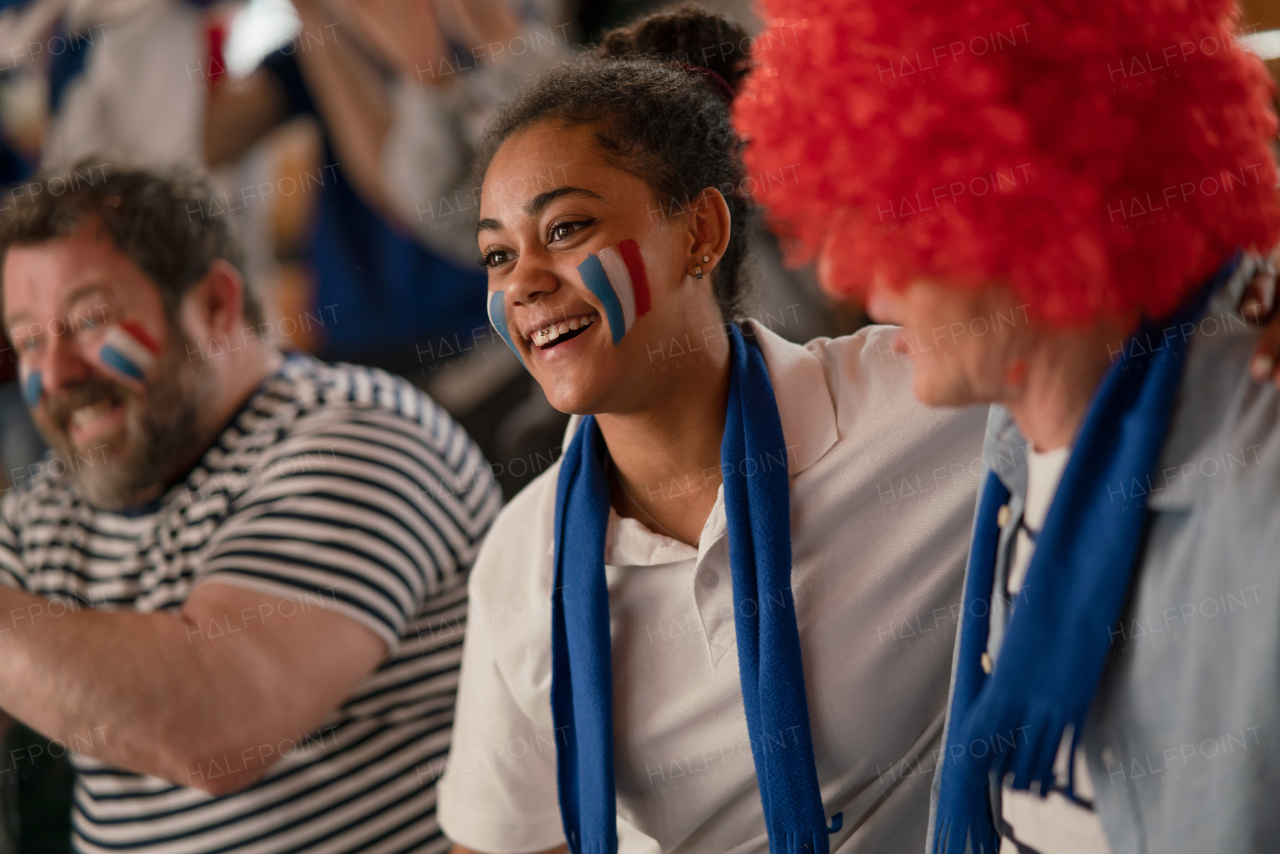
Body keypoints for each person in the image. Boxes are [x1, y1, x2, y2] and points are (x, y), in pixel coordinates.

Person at [437, 7, 990, 853]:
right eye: (498, 255)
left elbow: (1114, 325)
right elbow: (504, 839)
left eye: (566, 229)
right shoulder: (523, 556)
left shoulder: (918, 397)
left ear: (700, 232)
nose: (524, 284)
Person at [734, 0, 1280, 852]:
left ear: (1043, 202)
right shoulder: (1012, 436)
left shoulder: (1257, 490)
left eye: (893, 215)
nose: (840, 269)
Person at [0, 163, 501, 853]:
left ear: (214, 304)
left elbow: (216, 724)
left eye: (89, 321)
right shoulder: (51, 502)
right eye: (28, 339)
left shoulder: (357, 436)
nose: (55, 373)